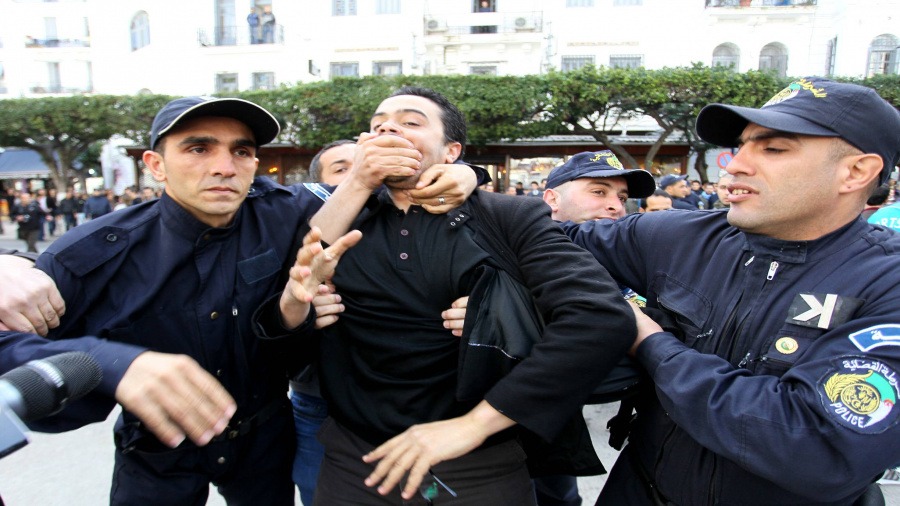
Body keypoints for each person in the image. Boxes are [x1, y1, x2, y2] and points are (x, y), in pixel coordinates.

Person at [0, 96, 481, 505]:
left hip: (263, 441)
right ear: (155, 165)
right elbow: (12, 348)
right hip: (157, 450)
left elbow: (384, 194)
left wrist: (466, 174)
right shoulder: (95, 253)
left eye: (241, 151)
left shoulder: (284, 212)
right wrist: (115, 363)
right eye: (198, 148)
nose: (223, 167)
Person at [259, 86, 636, 504]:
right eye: (377, 126)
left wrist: (475, 423)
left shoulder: (508, 217)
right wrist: (358, 182)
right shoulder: (339, 215)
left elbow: (599, 316)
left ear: (452, 151)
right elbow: (290, 298)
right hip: (353, 460)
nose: (388, 130)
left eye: (410, 122)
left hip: (481, 465)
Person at [564, 77, 900, 505]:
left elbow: (817, 446)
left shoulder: (887, 280)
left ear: (856, 172)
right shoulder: (677, 236)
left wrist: (649, 342)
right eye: (741, 146)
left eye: (773, 149)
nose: (736, 164)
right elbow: (546, 241)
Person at [535, 150, 655, 506]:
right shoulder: (517, 253)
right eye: (599, 192)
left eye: (621, 197)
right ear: (552, 199)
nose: (615, 206)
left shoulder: (628, 255)